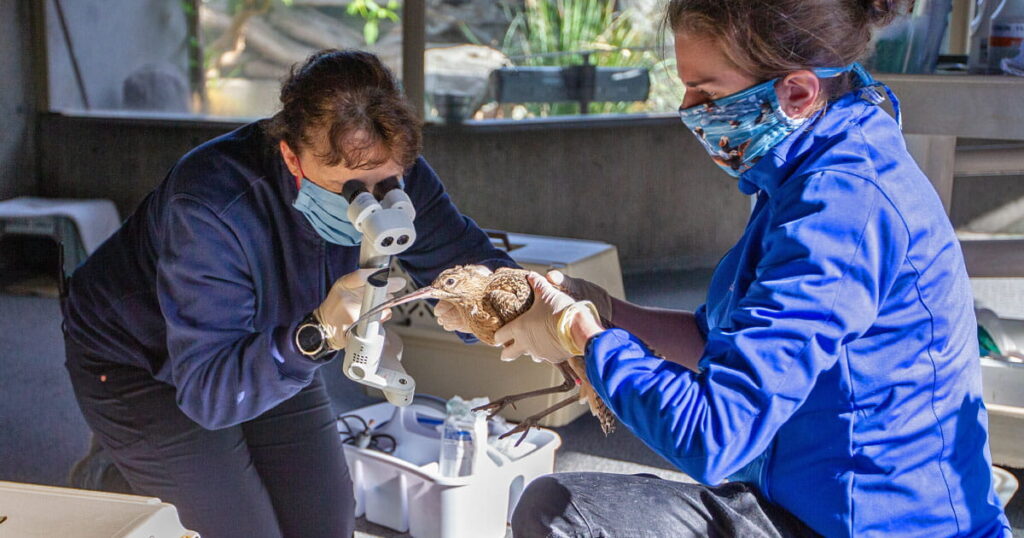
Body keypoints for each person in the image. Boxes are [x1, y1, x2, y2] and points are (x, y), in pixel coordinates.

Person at [474, 0, 1013, 536]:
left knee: (562, 513)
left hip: (872, 527)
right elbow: (721, 344)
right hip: (812, 504)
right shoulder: (810, 170)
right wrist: (611, 312)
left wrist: (583, 334)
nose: (688, 110)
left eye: (707, 93)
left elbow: (713, 434)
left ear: (797, 92)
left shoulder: (843, 209)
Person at [61, 49, 513, 538]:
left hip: (274, 334)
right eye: (350, 189)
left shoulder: (393, 174)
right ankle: (115, 474)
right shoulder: (211, 205)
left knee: (327, 522)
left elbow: (469, 264)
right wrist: (319, 333)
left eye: (385, 183)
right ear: (290, 156)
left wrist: (539, 309)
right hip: (145, 361)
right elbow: (210, 394)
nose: (376, 203)